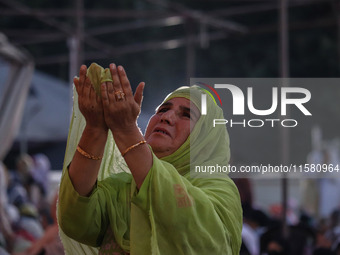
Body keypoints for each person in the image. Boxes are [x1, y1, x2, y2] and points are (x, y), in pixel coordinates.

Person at [57, 63, 243, 255]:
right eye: (162, 110)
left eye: (186, 115)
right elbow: (75, 221)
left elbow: (197, 237)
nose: (167, 117)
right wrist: (95, 129)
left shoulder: (219, 188)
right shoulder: (122, 188)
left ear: (204, 139)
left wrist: (126, 130)